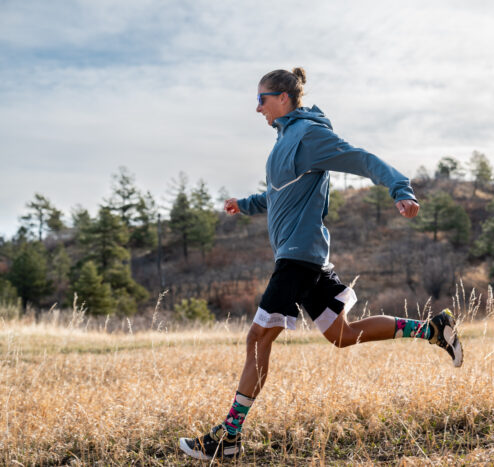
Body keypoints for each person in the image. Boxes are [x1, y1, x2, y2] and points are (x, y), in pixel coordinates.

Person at [179, 67, 463, 461]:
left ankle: (227, 438)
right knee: (341, 334)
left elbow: (362, 159)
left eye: (260, 99)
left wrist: (400, 188)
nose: (256, 108)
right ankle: (433, 329)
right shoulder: (284, 140)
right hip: (303, 257)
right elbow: (277, 196)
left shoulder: (309, 135)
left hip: (298, 258)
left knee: (258, 339)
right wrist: (244, 205)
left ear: (282, 98)